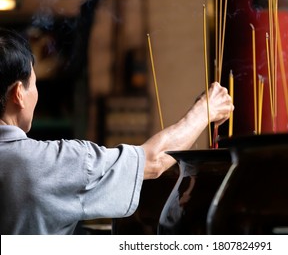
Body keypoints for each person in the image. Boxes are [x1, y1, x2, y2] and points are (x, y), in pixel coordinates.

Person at [0, 28, 234, 235]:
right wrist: (205, 110)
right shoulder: (52, 163)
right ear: (19, 93)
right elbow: (153, 160)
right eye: (35, 84)